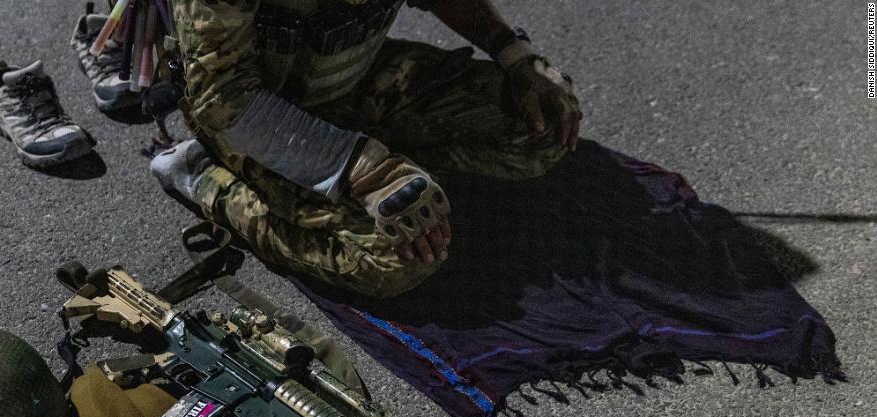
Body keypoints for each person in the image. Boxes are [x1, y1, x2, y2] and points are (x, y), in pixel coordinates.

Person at [150, 0, 581, 298]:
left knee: (541, 126)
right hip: (256, 119)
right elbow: (228, 103)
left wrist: (515, 54)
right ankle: (205, 178)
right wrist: (371, 171)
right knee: (395, 258)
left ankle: (371, 164)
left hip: (356, 79)